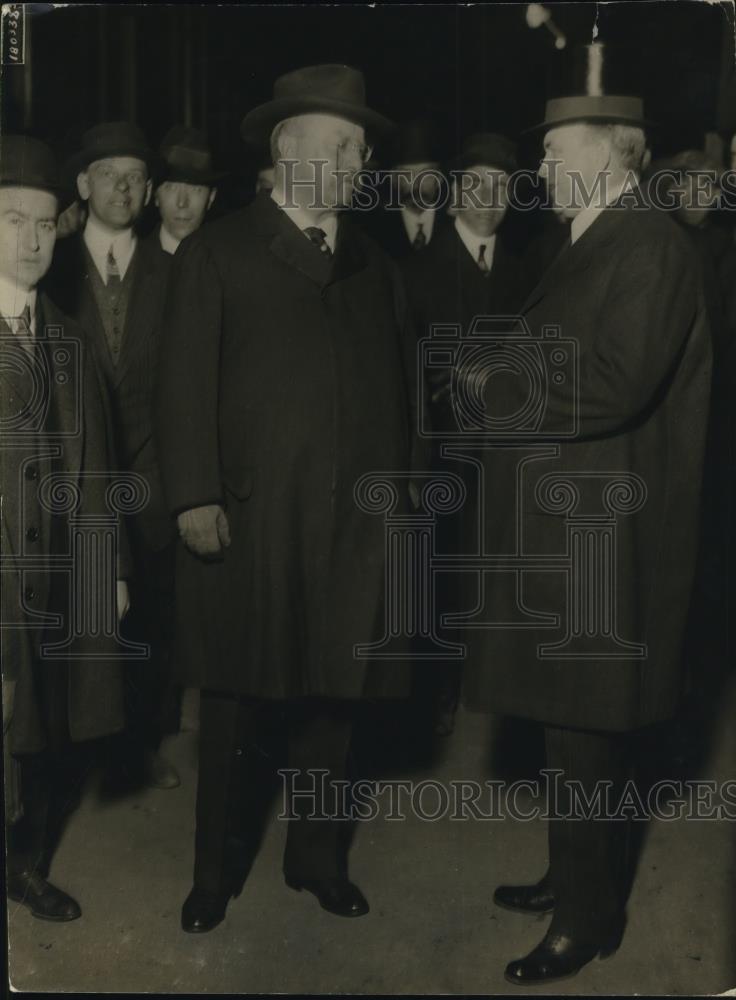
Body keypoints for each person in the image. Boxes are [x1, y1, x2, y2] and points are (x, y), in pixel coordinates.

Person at [462, 44, 712, 984]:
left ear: (614, 154)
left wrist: (495, 388)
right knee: (572, 730)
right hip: (566, 528)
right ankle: (580, 875)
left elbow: (612, 384)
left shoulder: (650, 244)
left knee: (585, 731)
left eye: (557, 153)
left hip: (602, 537)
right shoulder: (590, 237)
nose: (541, 170)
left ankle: (588, 916)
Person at [155, 63, 416, 934]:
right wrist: (193, 495)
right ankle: (213, 875)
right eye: (340, 141)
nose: (357, 157)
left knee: (332, 700)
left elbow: (408, 394)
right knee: (233, 702)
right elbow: (181, 387)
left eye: (362, 145)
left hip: (351, 525)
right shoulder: (218, 251)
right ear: (285, 147)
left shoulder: (376, 263)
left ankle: (316, 861)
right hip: (250, 517)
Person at [1, 135, 129, 920]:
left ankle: (26, 861)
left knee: (43, 728)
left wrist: (110, 571)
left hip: (54, 578)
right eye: (12, 219)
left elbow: (99, 476)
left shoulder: (72, 339)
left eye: (46, 224)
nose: (29, 239)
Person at [47, 121, 179, 790]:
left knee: (150, 617)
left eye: (134, 177)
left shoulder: (178, 269)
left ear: (150, 190)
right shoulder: (49, 262)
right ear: (81, 186)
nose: (122, 188)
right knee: (77, 618)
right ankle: (74, 752)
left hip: (153, 477)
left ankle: (144, 747)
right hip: (74, 484)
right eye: (107, 175)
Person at [401, 132, 531, 738]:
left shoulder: (527, 267)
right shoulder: (418, 271)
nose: (491, 197)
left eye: (503, 186)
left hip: (506, 449)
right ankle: (437, 691)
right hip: (443, 451)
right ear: (454, 193)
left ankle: (491, 685)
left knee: (497, 568)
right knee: (440, 570)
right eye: (478, 183)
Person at [365, 117, 446, 258]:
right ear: (394, 179)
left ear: (438, 178)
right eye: (407, 175)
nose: (417, 184)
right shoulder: (373, 232)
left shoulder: (457, 225)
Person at [151, 126, 220, 257]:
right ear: (155, 195)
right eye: (172, 188)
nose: (182, 202)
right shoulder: (131, 262)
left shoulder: (225, 264)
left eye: (195, 189)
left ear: (211, 197)